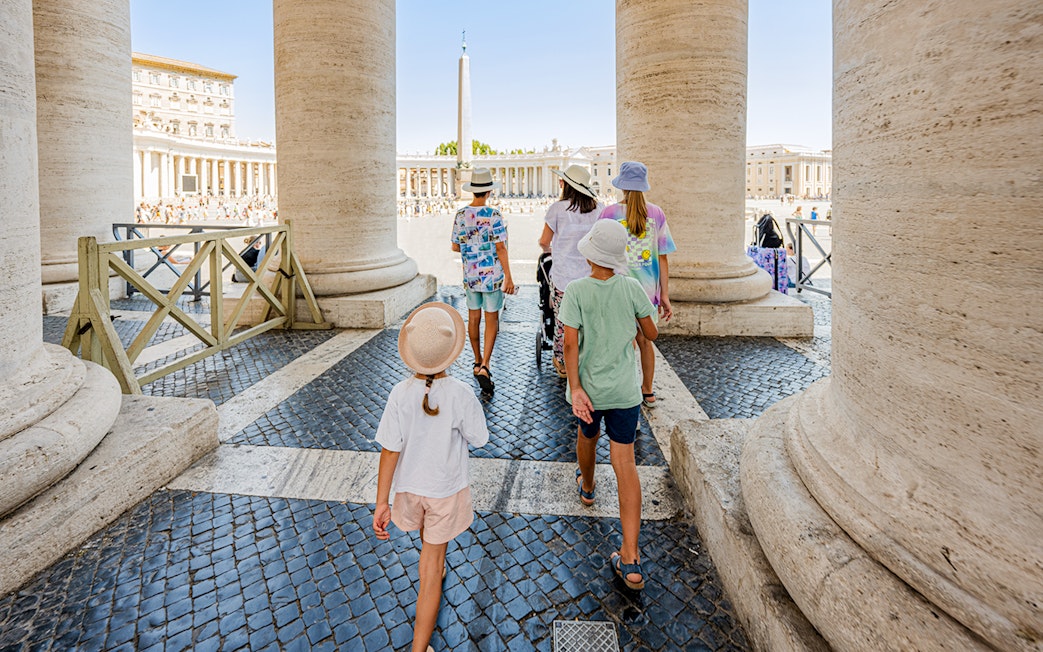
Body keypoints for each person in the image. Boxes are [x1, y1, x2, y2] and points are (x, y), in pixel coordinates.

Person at [373, 302, 490, 652]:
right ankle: (419, 648)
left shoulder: (400, 394)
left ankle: (433, 566)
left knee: (428, 544)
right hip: (445, 491)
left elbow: (389, 450)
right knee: (430, 571)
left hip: (410, 492)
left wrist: (382, 502)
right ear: (450, 353)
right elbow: (479, 437)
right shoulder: (460, 394)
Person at [560, 219, 658, 591]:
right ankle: (631, 557)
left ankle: (586, 486)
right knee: (626, 464)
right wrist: (634, 320)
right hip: (624, 392)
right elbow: (651, 333)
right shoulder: (631, 287)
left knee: (588, 436)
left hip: (590, 389)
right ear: (617, 259)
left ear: (589, 256)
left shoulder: (576, 291)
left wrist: (576, 388)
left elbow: (570, 345)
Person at [598, 161, 675, 408]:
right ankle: (648, 391)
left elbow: (598, 254)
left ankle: (624, 389)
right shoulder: (656, 213)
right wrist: (665, 294)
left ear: (622, 185)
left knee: (621, 343)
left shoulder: (609, 214)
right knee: (645, 341)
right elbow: (663, 258)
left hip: (615, 289)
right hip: (647, 290)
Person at [451, 168, 517, 393]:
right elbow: (501, 247)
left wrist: (471, 247)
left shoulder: (460, 215)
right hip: (491, 278)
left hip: (470, 275)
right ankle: (486, 365)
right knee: (491, 320)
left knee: (473, 318)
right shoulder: (494, 215)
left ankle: (476, 360)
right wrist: (509, 276)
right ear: (489, 191)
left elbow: (454, 246)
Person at [537, 164, 604, 378]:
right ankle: (588, 359)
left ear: (565, 185)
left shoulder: (557, 209)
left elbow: (544, 241)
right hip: (592, 277)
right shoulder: (599, 208)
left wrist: (553, 250)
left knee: (564, 321)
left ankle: (563, 362)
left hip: (564, 278)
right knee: (590, 321)